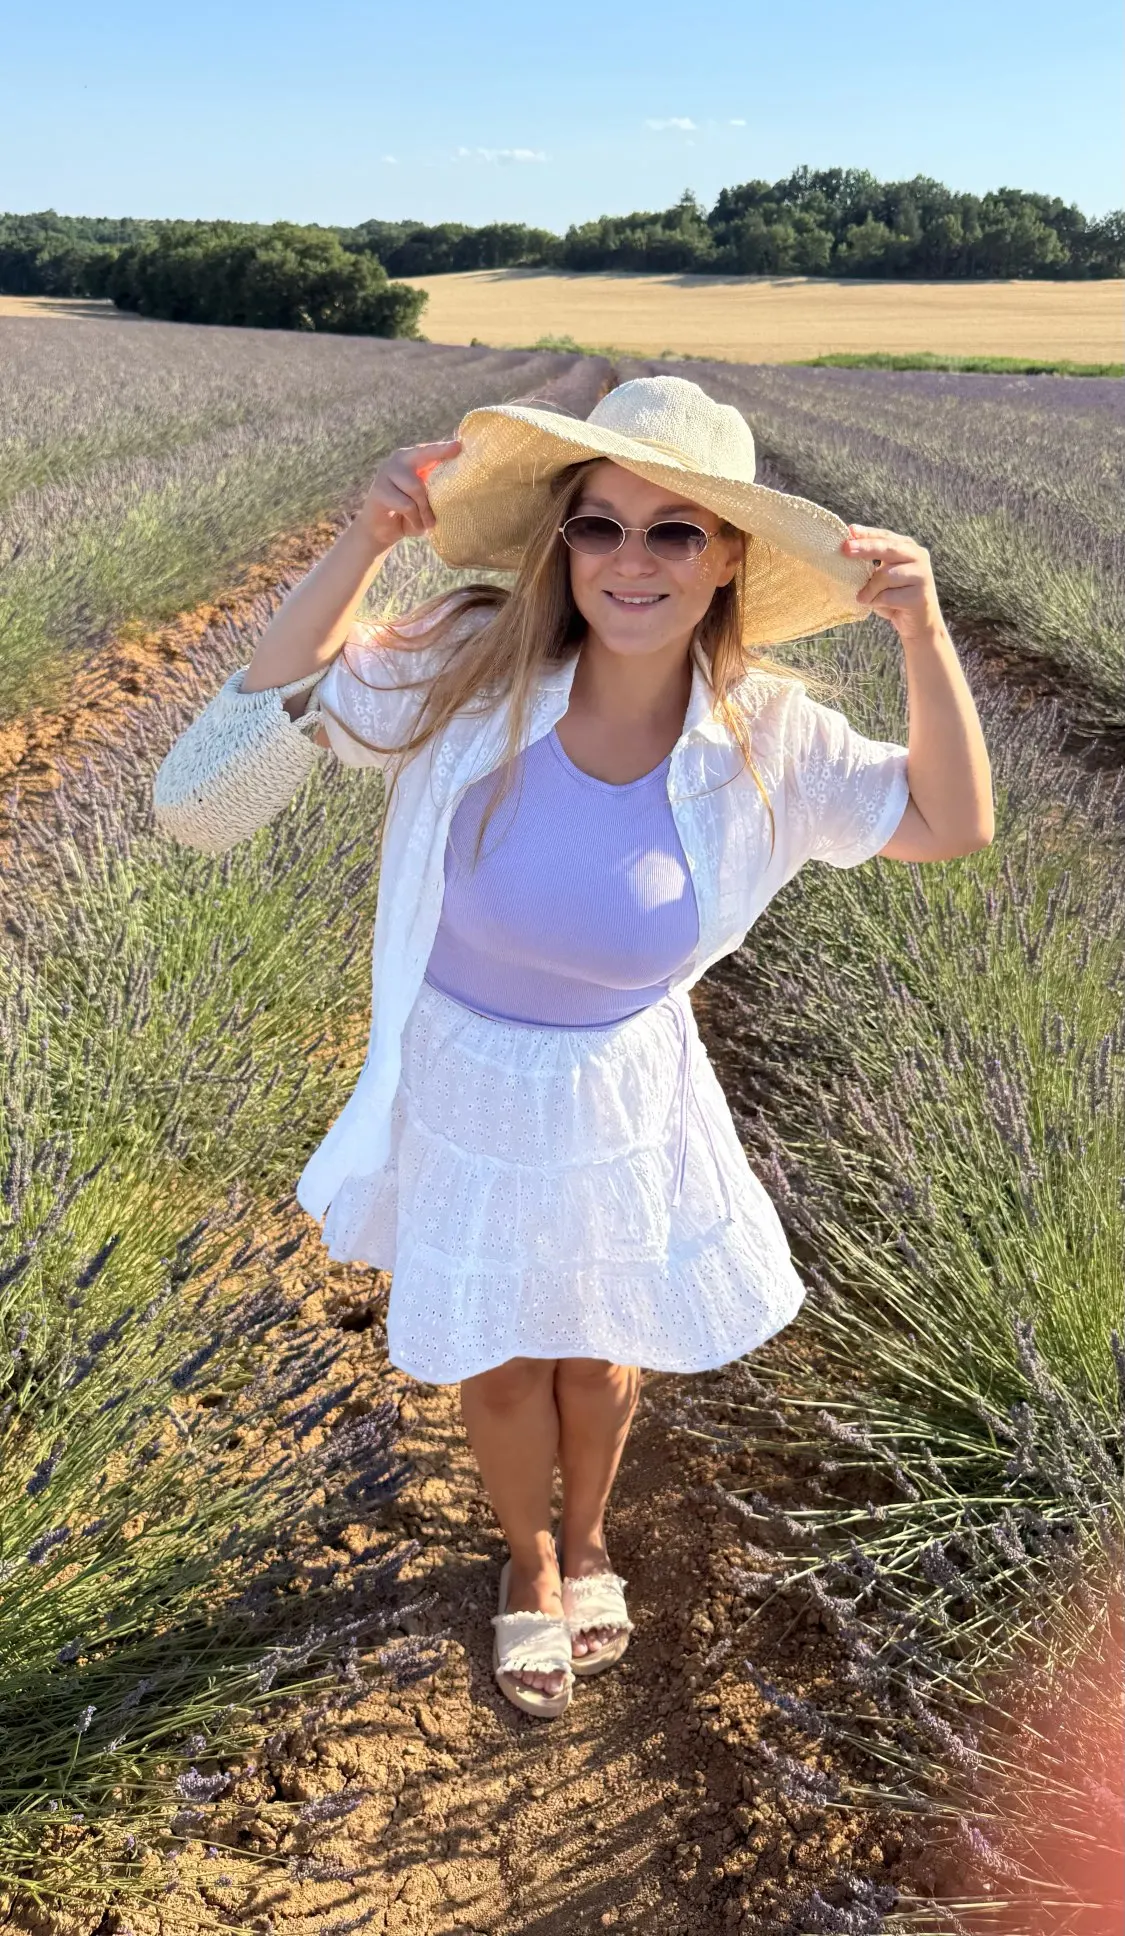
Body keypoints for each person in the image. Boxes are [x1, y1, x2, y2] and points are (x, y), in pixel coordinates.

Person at [153, 375, 994, 1721]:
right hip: (470, 1075)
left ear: (728, 559)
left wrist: (925, 633)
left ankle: (590, 1535)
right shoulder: (473, 663)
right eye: (599, 525)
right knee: (501, 1359)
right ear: (562, 544)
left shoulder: (769, 735)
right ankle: (530, 1559)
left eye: (674, 531)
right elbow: (218, 776)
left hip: (621, 1082)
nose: (630, 561)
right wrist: (364, 537)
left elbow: (949, 823)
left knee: (600, 1355)